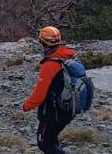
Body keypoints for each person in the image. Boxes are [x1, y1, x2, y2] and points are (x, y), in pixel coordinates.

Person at [22, 26, 76, 154]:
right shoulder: (68, 56)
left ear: (43, 42)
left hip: (53, 113)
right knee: (52, 139)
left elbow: (39, 95)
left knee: (44, 144)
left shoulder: (50, 65)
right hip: (69, 108)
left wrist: (26, 106)